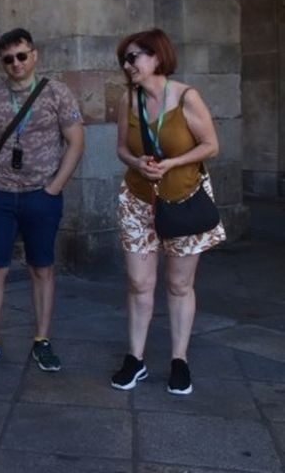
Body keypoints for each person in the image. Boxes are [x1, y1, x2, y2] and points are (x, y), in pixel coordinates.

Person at [111, 28, 225, 395]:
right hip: (138, 201)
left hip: (182, 200)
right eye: (124, 59)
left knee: (179, 284)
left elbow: (211, 146)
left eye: (133, 57)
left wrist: (172, 162)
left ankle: (179, 359)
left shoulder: (187, 97)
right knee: (139, 283)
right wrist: (137, 163)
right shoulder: (128, 100)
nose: (127, 65)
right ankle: (135, 359)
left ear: (157, 57)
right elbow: (121, 148)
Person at [0, 27, 85, 370]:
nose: (16, 63)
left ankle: (42, 340)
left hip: (41, 194)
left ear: (34, 56)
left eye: (22, 56)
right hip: (0, 195)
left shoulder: (57, 93)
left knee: (42, 268)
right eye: (8, 59)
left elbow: (76, 142)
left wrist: (55, 188)